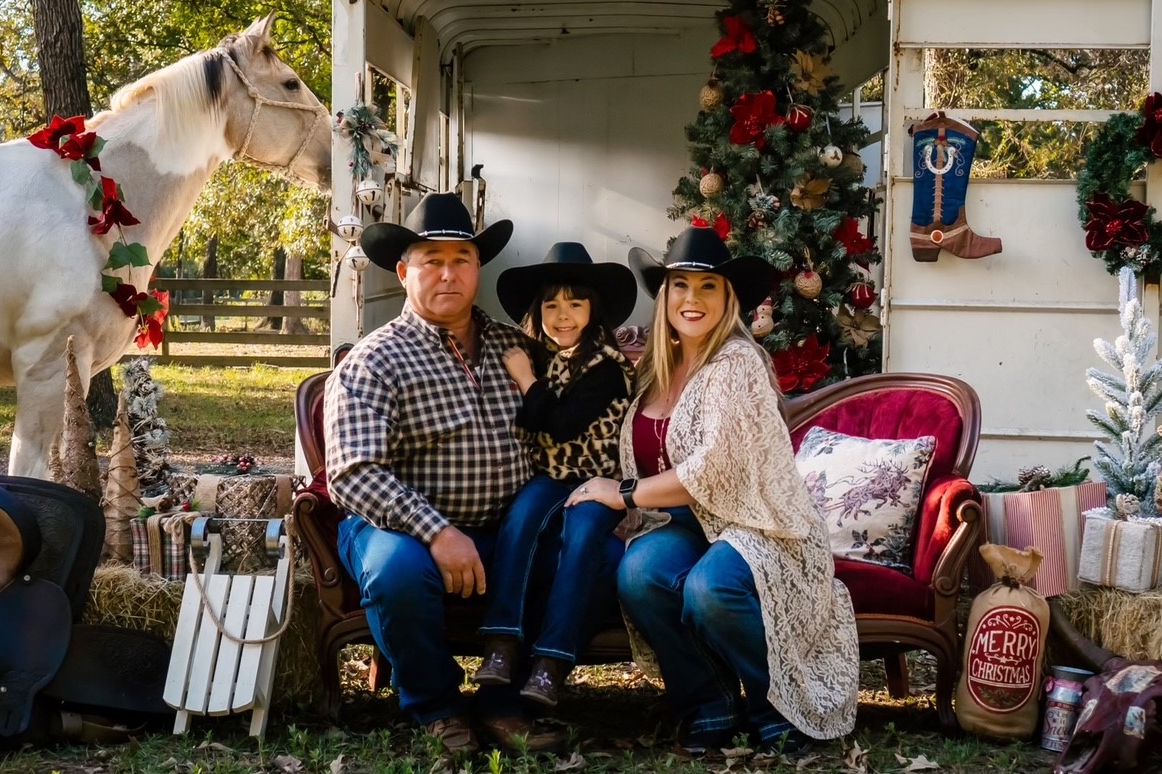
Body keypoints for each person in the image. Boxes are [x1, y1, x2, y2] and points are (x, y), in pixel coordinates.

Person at [566, 226, 860, 752]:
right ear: (665, 296)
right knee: (639, 574)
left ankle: (777, 706)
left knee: (710, 589)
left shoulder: (737, 362)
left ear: (728, 300)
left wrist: (623, 493)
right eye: (680, 285)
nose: (692, 299)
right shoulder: (656, 368)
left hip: (759, 521)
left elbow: (714, 468)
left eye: (708, 287)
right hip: (682, 522)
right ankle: (708, 703)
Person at [324, 192, 563, 756]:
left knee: (576, 552)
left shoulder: (517, 347)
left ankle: (506, 703)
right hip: (399, 528)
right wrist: (437, 532)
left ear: (478, 269)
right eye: (432, 261)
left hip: (507, 526)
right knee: (396, 574)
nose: (449, 274)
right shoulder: (375, 359)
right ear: (404, 272)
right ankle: (437, 706)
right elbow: (353, 473)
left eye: (462, 260)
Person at [473, 242, 636, 708]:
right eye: (551, 306)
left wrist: (526, 380)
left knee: (581, 539)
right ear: (537, 312)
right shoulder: (538, 354)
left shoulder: (606, 365)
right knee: (521, 520)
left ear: (593, 310)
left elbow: (561, 423)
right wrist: (529, 375)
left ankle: (552, 661)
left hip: (596, 480)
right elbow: (529, 418)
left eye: (575, 304)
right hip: (549, 474)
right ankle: (501, 641)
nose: (563, 316)